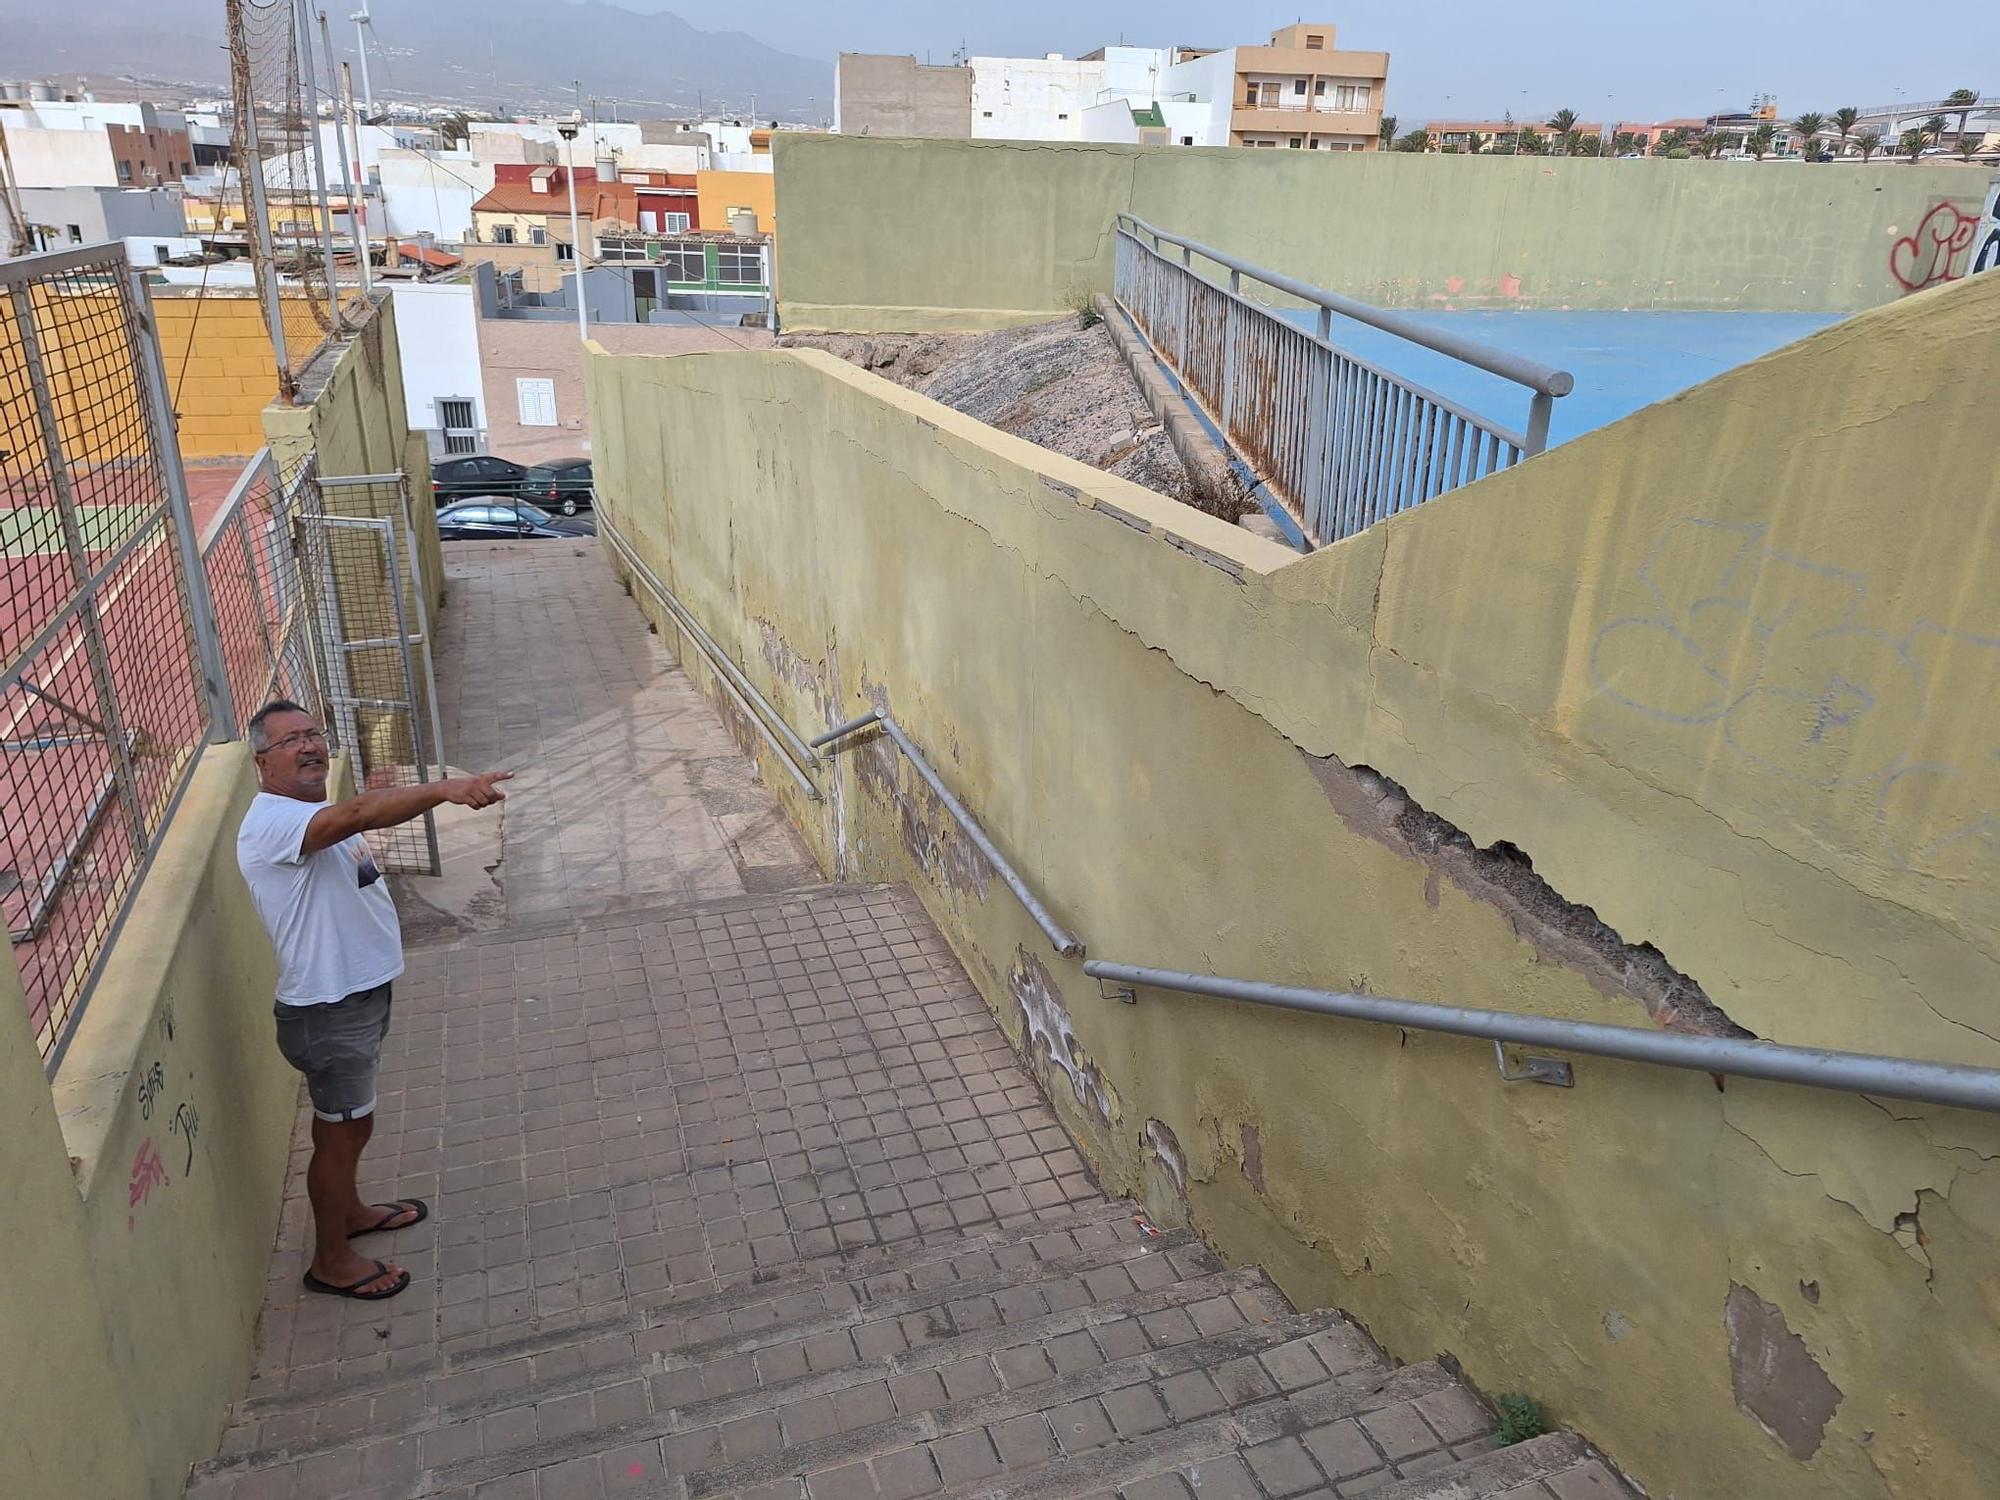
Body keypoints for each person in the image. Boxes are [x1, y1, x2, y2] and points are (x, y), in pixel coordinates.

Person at [236, 700, 511, 1301]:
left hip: (356, 1000)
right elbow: (361, 812)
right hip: (329, 1011)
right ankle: (331, 1261)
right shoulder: (273, 824)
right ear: (262, 762)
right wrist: (444, 789)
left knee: (352, 1128)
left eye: (313, 734)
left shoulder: (313, 813)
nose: (309, 746)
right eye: (290, 741)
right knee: (340, 1135)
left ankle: (353, 1212)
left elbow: (354, 823)